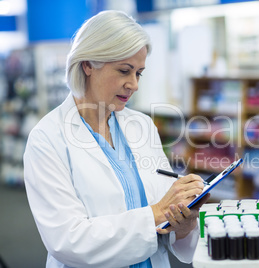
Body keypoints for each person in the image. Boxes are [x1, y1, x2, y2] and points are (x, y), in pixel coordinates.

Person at [23, 10, 209, 268]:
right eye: (124, 71)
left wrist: (184, 222)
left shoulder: (141, 125)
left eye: (139, 73)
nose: (134, 84)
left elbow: (167, 214)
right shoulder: (47, 139)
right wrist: (155, 213)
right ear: (88, 64)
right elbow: (67, 240)